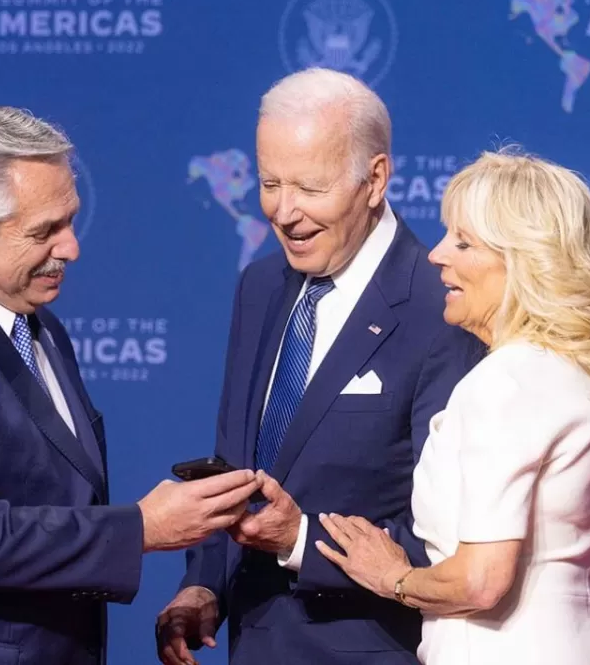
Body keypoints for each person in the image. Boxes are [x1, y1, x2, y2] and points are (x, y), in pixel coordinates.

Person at [0, 105, 262, 665]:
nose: (71, 248)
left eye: (70, 221)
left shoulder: (37, 326)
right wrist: (141, 529)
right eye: (44, 231)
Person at [156, 68, 484, 665]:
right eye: (270, 183)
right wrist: (204, 584)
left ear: (375, 179)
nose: (284, 212)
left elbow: (460, 540)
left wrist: (301, 540)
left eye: (310, 187)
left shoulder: (444, 308)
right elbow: (237, 468)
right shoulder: (260, 285)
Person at [312, 149, 590, 665]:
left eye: (463, 242)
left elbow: (481, 581)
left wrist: (392, 577)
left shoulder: (505, 382)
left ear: (524, 261)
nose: (437, 255)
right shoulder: (581, 373)